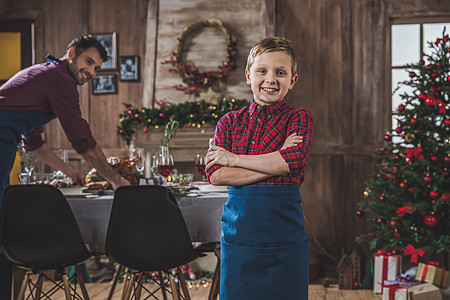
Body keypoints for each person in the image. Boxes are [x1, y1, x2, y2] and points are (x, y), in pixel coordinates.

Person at [0, 35, 130, 299]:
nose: (91, 72)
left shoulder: (47, 76)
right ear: (71, 54)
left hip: (6, 143)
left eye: (97, 68)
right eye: (88, 62)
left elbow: (33, 143)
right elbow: (82, 140)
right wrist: (116, 180)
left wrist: (68, 171)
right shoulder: (60, 80)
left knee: (3, 228)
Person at [205, 37, 313, 299]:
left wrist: (233, 158)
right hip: (239, 237)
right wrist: (277, 163)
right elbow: (216, 175)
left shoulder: (299, 118)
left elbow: (293, 160)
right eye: (262, 71)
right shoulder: (229, 122)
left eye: (281, 72)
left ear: (293, 80)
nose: (271, 79)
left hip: (285, 237)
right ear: (248, 75)